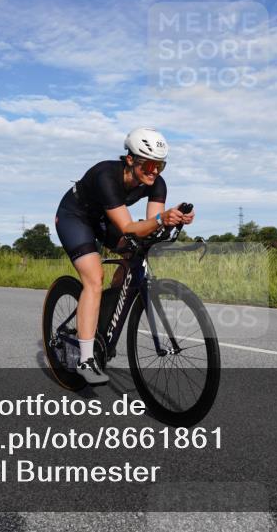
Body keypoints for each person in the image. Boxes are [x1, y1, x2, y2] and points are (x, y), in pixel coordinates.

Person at [55, 127, 194, 385]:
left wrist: (173, 221)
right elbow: (129, 227)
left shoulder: (157, 183)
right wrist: (162, 219)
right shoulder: (106, 175)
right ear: (130, 159)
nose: (154, 172)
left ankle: (103, 320)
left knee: (136, 253)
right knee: (94, 278)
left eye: (160, 166)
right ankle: (85, 359)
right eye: (149, 165)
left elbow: (153, 226)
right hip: (75, 217)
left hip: (106, 220)